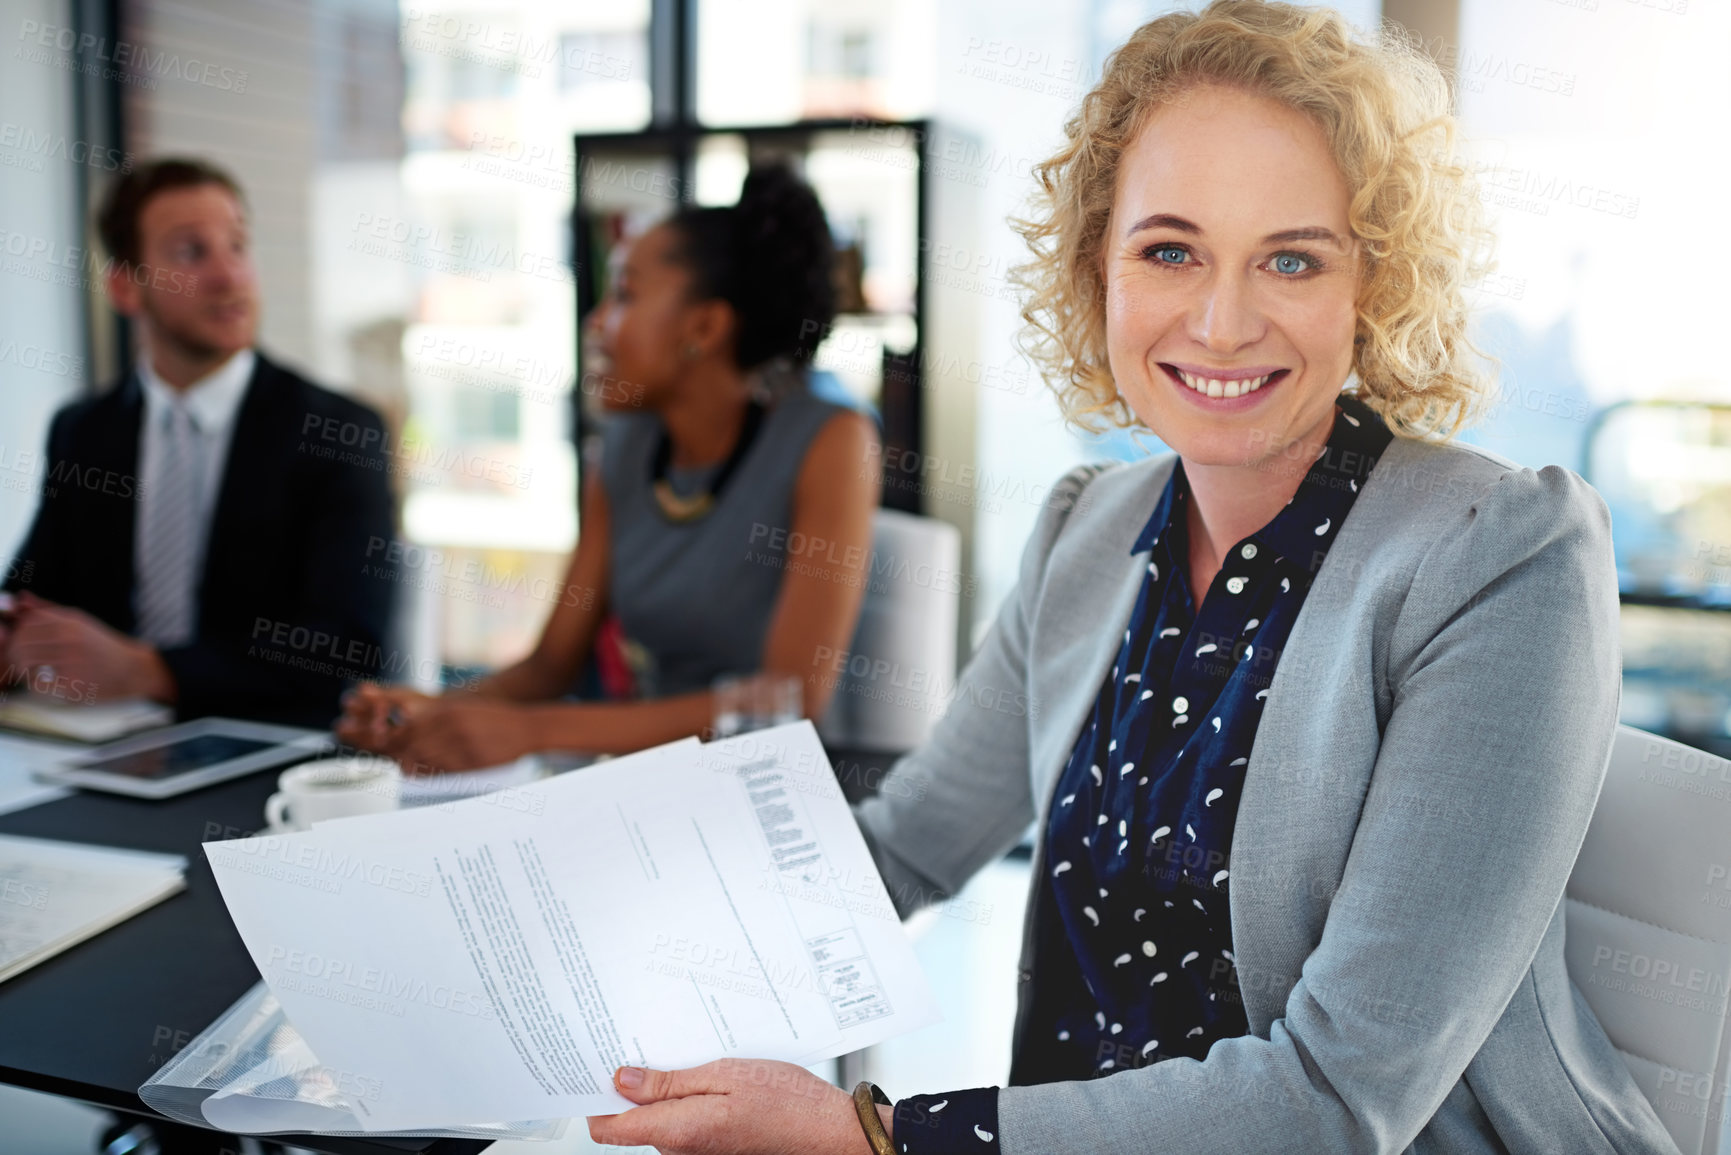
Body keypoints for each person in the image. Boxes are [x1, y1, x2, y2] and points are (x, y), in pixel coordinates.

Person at [585, 3, 1682, 1153]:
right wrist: (620, 939)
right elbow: (902, 849)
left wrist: (879, 1138)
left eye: (1292, 259)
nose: (1220, 321)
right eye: (1170, 250)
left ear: (1376, 285)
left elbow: (1336, 1100)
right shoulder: (1085, 531)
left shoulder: (1500, 555)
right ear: (1095, 268)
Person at [337, 164, 880, 771]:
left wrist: (533, 732)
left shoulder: (833, 440)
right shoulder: (623, 447)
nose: (595, 323)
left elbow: (790, 699)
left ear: (704, 326)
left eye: (624, 294)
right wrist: (430, 713)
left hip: (773, 789)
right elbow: (551, 666)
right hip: (645, 779)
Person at [0, 159, 395, 728]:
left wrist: (151, 670)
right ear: (124, 286)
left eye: (237, 246)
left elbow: (346, 646)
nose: (229, 275)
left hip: (267, 747)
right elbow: (32, 591)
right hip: (101, 743)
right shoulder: (85, 430)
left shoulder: (338, 431)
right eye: (191, 252)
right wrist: (17, 637)